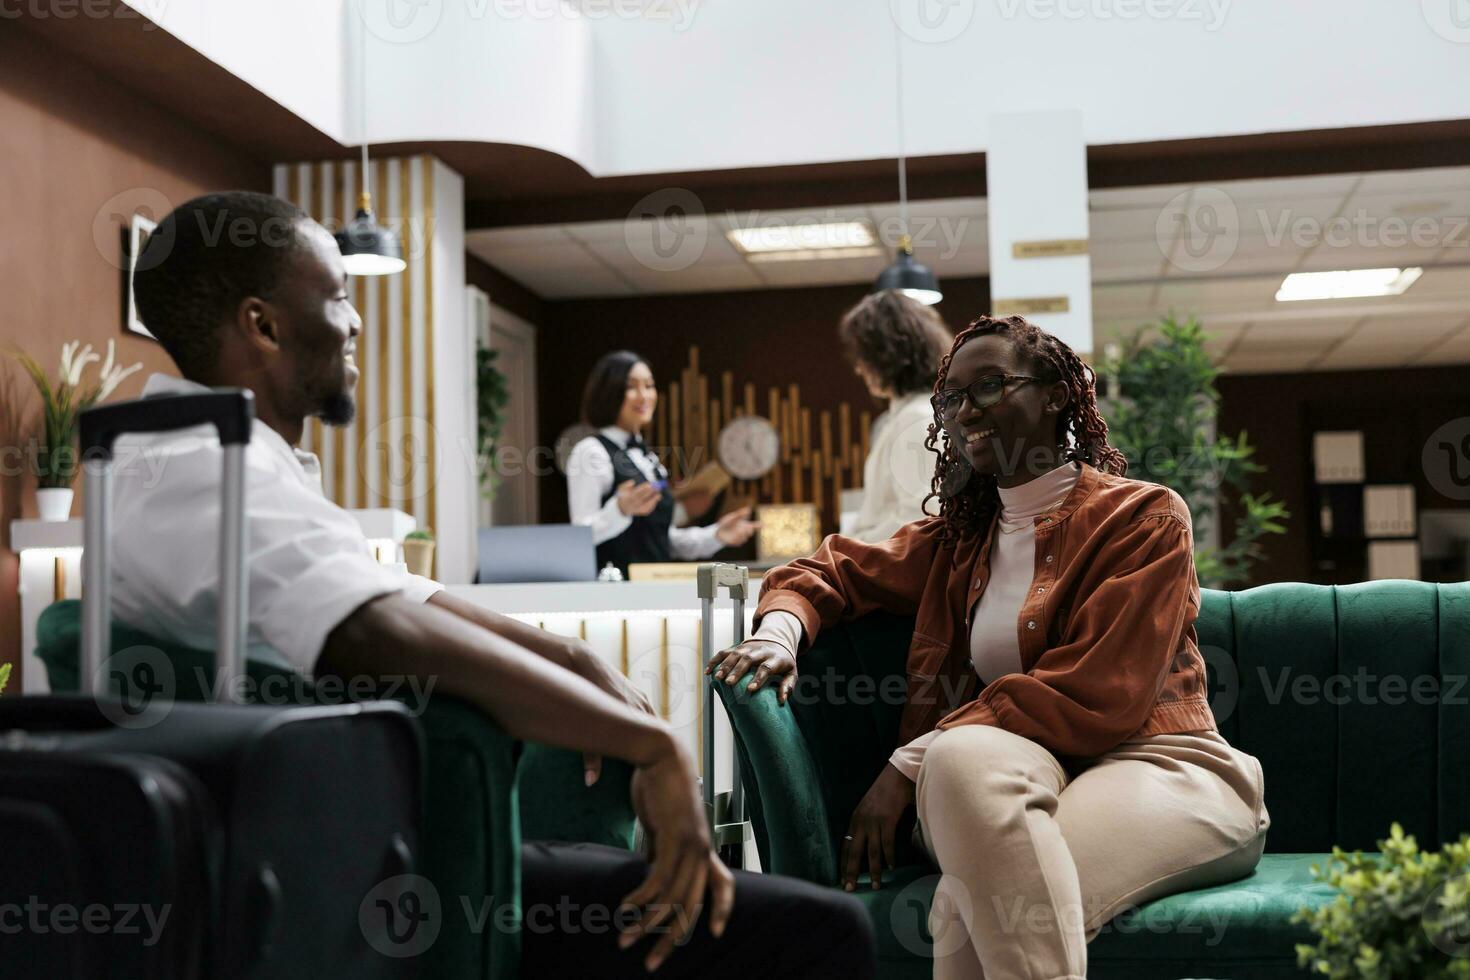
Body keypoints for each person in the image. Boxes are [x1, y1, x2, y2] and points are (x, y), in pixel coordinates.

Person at [123, 191, 876, 978]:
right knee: (821, 930)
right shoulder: (203, 474)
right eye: (339, 296)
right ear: (263, 325)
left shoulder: (236, 464)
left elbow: (397, 594)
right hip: (342, 877)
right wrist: (646, 744)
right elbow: (373, 627)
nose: (355, 323)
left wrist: (576, 659)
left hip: (362, 839)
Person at [707, 314, 1270, 979]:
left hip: (1163, 767)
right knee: (960, 759)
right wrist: (778, 633)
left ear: (1057, 393)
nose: (965, 410)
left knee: (960, 905)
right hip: (1021, 773)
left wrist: (904, 765)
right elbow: (822, 570)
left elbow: (1099, 692)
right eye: (953, 398)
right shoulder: (959, 542)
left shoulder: (1143, 517)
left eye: (990, 386)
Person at [566, 351, 759, 577]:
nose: (644, 395)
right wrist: (619, 510)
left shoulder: (647, 457)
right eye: (631, 387)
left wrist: (716, 535)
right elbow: (579, 537)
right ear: (609, 392)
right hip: (613, 594)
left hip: (653, 588)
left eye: (649, 386)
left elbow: (661, 538)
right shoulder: (590, 451)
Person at [837, 290, 952, 542]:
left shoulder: (915, 418)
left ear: (886, 356)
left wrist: (850, 548)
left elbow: (921, 517)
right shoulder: (917, 413)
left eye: (863, 357)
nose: (858, 369)